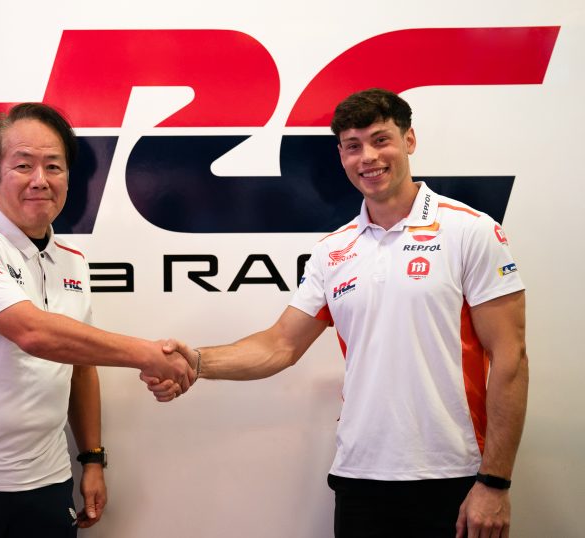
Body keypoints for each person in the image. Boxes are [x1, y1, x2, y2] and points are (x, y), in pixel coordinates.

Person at [148, 88, 528, 538]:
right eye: (353, 146)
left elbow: (511, 357)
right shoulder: (333, 251)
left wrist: (495, 481)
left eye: (381, 140)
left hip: (454, 474)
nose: (368, 157)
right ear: (342, 156)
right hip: (359, 475)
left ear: (409, 140)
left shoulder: (470, 231)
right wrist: (196, 362)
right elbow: (280, 345)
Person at [0, 102, 194, 537]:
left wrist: (91, 459)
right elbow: (33, 333)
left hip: (47, 481)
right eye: (23, 165)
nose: (41, 179)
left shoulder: (73, 261)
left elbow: (80, 366)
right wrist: (149, 356)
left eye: (54, 166)